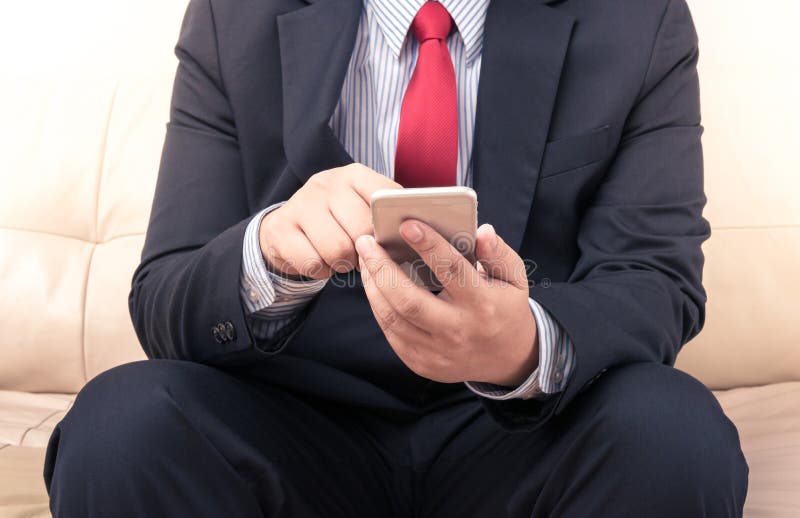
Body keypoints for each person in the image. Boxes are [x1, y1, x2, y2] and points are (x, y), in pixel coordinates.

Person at [43, 0, 748, 516]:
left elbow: (655, 281)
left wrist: (523, 344)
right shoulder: (237, 13)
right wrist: (269, 253)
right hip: (289, 418)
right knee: (121, 426)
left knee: (674, 433)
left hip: (523, 434)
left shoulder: (636, 19)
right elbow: (167, 294)